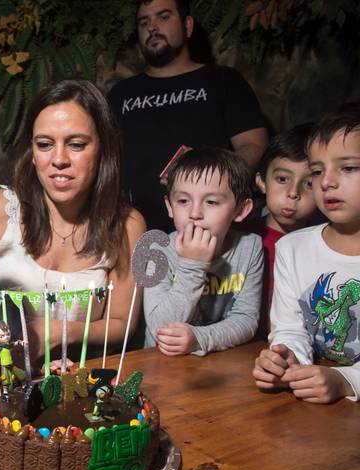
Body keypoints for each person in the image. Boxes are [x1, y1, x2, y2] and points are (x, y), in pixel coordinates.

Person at [0, 79, 146, 361]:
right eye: (45, 144)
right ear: (32, 153)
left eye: (76, 144)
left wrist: (62, 331)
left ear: (103, 149)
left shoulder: (127, 225)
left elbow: (122, 324)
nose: (59, 159)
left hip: (80, 376)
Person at [108, 0, 268, 232]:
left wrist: (210, 174)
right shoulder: (121, 93)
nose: (152, 27)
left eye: (164, 17)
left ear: (188, 25)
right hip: (132, 231)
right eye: (144, 22)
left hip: (209, 231)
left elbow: (254, 145)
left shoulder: (223, 80)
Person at [253, 103, 360, 403]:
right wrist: (287, 359)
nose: (326, 182)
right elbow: (290, 328)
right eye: (317, 171)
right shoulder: (292, 248)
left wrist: (347, 380)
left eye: (348, 167)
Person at [143, 147, 263, 355]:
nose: (195, 213)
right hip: (162, 362)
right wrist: (193, 266)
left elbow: (246, 319)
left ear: (241, 210)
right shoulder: (158, 249)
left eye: (211, 202)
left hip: (218, 361)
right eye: (183, 201)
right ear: (170, 206)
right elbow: (159, 329)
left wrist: (199, 338)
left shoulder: (250, 247)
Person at [248, 123, 317, 328]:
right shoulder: (241, 238)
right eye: (282, 179)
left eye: (309, 183)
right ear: (262, 182)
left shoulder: (325, 244)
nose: (293, 192)